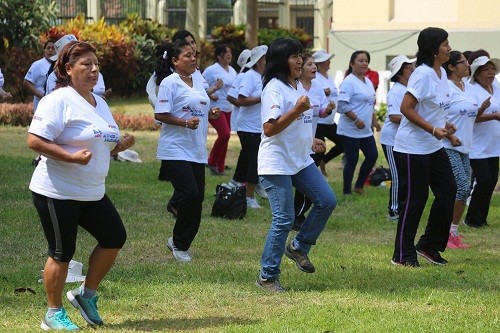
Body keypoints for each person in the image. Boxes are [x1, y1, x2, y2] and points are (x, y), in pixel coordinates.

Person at [28, 41, 135, 331]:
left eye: (96, 64)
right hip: (56, 190)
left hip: (92, 191)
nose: (93, 69)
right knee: (62, 251)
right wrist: (70, 157)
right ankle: (52, 313)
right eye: (86, 64)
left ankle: (86, 295)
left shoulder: (99, 102)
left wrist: (119, 145)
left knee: (114, 237)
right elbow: (34, 141)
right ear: (67, 69)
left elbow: (103, 144)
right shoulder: (58, 100)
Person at [255, 38, 337, 292]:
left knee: (327, 200)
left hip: (300, 159)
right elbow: (270, 128)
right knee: (283, 219)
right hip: (276, 162)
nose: (299, 60)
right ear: (281, 61)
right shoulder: (274, 88)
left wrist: (309, 139)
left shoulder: (295, 86)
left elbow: (295, 123)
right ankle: (267, 276)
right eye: (293, 56)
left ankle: (299, 247)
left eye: (300, 55)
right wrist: (298, 109)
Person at [392, 27, 456, 267]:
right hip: (412, 148)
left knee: (449, 191)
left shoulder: (440, 73)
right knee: (415, 200)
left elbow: (433, 108)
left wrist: (445, 126)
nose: (449, 48)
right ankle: (401, 254)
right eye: (445, 44)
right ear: (433, 49)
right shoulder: (422, 73)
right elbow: (406, 108)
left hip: (433, 146)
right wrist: (432, 129)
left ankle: (428, 245)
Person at [154, 40, 221, 263]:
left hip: (196, 148)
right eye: (187, 56)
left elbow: (200, 107)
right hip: (174, 149)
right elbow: (160, 114)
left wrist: (211, 113)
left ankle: (178, 241)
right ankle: (180, 244)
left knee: (198, 198)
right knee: (190, 194)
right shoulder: (169, 83)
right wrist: (183, 123)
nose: (193, 59)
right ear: (175, 61)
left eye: (194, 55)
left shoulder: (198, 81)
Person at [442, 51, 491, 248]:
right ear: (452, 67)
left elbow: (471, 116)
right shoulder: (445, 87)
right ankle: (446, 232)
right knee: (461, 187)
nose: (467, 65)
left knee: (464, 189)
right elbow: (436, 115)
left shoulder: (469, 88)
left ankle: (453, 232)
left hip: (465, 146)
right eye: (462, 63)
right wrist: (449, 134)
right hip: (448, 145)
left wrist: (481, 109)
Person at [294, 52, 336, 229]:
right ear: (300, 68)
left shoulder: (317, 86)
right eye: (309, 64)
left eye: (314, 64)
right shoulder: (294, 87)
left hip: (310, 141)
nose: (314, 67)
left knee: (305, 183)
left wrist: (327, 110)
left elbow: (317, 112)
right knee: (302, 181)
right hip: (296, 141)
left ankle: (297, 215)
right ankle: (294, 216)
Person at [226, 45, 268, 209]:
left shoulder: (265, 76)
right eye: (266, 58)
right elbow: (240, 100)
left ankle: (237, 182)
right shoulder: (249, 76)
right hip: (247, 126)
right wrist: (261, 98)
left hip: (259, 126)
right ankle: (249, 196)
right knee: (255, 160)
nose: (268, 61)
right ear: (258, 61)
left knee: (248, 156)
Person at [463, 54, 500, 228]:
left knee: (491, 181)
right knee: (484, 180)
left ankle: (481, 219)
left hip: (493, 142)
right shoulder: (472, 90)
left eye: (492, 69)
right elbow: (473, 118)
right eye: (486, 69)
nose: (491, 73)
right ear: (477, 74)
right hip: (477, 144)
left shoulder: (496, 86)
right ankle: (471, 219)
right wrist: (493, 115)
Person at [337, 50, 380, 195]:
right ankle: (346, 191)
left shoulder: (367, 81)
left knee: (372, 155)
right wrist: (355, 119)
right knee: (352, 160)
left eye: (366, 60)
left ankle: (359, 185)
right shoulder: (348, 82)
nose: (364, 63)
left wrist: (374, 121)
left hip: (365, 129)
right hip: (350, 129)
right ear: (352, 63)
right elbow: (342, 105)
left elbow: (370, 104)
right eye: (360, 60)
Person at [380, 55, 415, 221]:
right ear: (400, 72)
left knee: (405, 175)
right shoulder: (396, 91)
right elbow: (394, 116)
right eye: (408, 67)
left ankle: (402, 205)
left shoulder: (408, 89)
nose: (412, 69)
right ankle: (393, 210)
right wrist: (417, 119)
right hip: (391, 140)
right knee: (396, 175)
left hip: (402, 140)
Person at [203, 44, 237, 175]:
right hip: (215, 108)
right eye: (225, 52)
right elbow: (201, 86)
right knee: (225, 134)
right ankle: (211, 162)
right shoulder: (211, 70)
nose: (229, 54)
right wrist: (211, 94)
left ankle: (220, 167)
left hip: (229, 108)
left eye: (230, 52)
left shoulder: (233, 71)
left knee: (226, 137)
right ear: (219, 56)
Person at [312, 49, 343, 177]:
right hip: (319, 121)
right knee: (318, 151)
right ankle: (312, 175)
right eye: (325, 60)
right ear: (318, 63)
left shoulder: (329, 77)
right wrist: (323, 93)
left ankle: (324, 162)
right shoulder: (316, 78)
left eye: (329, 60)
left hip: (329, 121)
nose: (329, 62)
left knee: (342, 143)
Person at [24, 40, 56, 112]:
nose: (50, 50)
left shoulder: (58, 66)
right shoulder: (37, 65)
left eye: (53, 48)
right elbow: (26, 82)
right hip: (41, 102)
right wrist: (40, 95)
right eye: (48, 48)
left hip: (54, 102)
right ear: (44, 50)